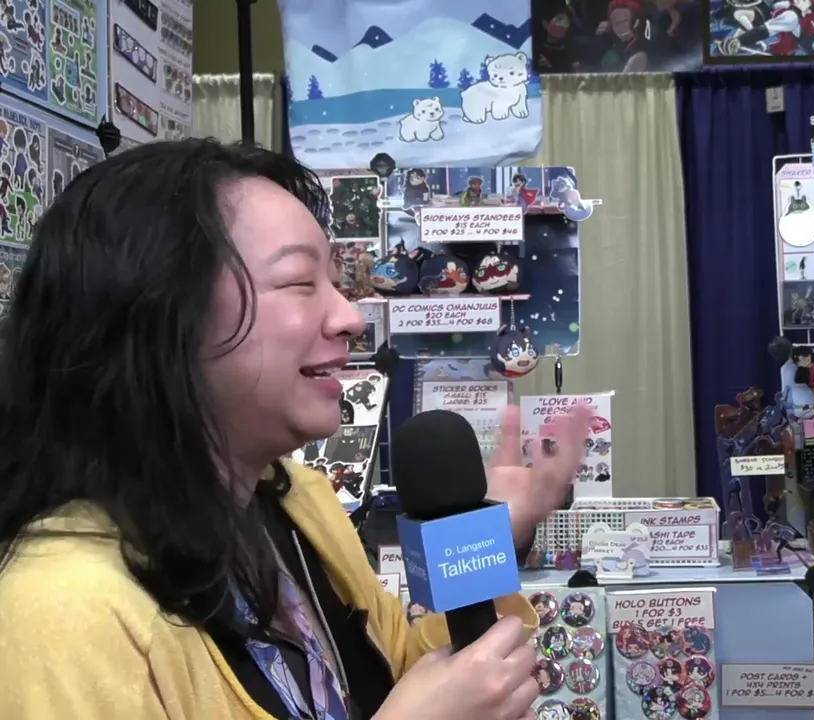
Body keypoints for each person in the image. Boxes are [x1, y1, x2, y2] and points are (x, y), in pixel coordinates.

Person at [0, 139, 590, 719]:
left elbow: (411, 677)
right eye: (300, 282)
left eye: (334, 281)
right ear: (157, 315)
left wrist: (490, 539)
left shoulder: (297, 502)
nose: (350, 317)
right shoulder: (61, 613)